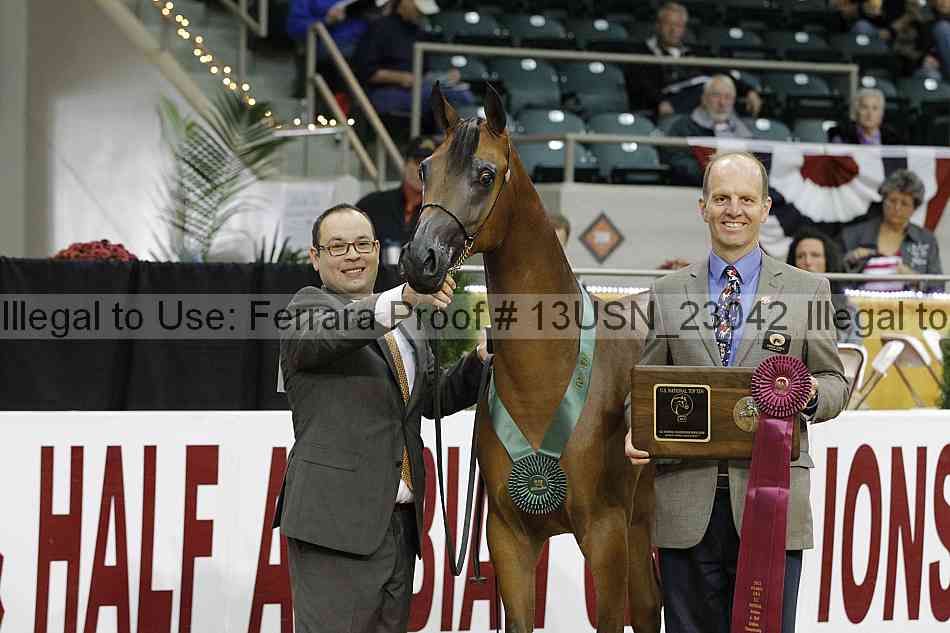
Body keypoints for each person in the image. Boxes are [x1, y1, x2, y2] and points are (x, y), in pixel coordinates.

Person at [625, 152, 849, 633]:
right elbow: (645, 384)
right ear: (702, 206)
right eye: (722, 198)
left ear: (765, 209)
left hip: (773, 504)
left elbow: (835, 383)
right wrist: (635, 426)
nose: (734, 210)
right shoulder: (668, 291)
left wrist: (806, 393)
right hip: (685, 503)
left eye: (746, 199)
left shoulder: (809, 290)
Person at [275, 203, 487, 633]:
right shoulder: (307, 308)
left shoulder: (407, 323)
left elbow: (432, 399)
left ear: (376, 250)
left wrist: (479, 361)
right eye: (338, 247)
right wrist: (402, 298)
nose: (352, 255)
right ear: (315, 257)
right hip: (335, 525)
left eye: (362, 244)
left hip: (399, 527)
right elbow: (332, 334)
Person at [625, 3, 762, 120]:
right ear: (658, 25)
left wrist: (748, 91)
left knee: (719, 86)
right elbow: (640, 84)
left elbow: (720, 71)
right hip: (664, 104)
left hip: (696, 101)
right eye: (668, 24)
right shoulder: (641, 52)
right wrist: (660, 102)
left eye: (678, 25)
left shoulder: (694, 52)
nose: (673, 30)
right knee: (709, 89)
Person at [353, 0, 474, 132]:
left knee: (461, 93)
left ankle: (453, 141)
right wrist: (400, 78)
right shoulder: (379, 27)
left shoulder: (419, 33)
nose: (421, 15)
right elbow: (365, 71)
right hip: (384, 92)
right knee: (444, 96)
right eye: (418, 10)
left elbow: (424, 72)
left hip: (417, 89)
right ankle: (449, 141)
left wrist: (445, 76)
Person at [840, 169, 944, 292]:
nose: (897, 208)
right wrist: (850, 260)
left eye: (904, 203)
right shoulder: (853, 234)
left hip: (910, 304)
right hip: (858, 303)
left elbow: (938, 287)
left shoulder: (926, 240)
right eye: (892, 201)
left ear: (914, 208)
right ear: (884, 201)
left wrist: (916, 280)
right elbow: (834, 281)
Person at [357, 136, 436, 290]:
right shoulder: (372, 205)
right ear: (405, 164)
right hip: (374, 295)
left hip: (421, 296)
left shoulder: (440, 214)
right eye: (418, 162)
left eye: (431, 164)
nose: (423, 170)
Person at [665, 75, 754, 187]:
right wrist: (711, 175)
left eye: (728, 97)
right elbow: (678, 161)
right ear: (704, 98)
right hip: (697, 188)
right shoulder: (684, 126)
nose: (722, 103)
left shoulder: (745, 129)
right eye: (716, 95)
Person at [286, 0, 375, 99]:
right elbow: (295, 28)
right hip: (332, 43)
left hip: (369, 38)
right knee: (361, 58)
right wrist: (327, 20)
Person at [787, 228, 862, 344]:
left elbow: (853, 350)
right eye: (800, 256)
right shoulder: (780, 305)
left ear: (828, 261)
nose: (807, 262)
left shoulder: (849, 309)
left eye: (815, 255)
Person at [827, 88, 903, 145]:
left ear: (881, 113)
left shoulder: (893, 138)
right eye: (864, 107)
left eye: (875, 108)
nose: (870, 114)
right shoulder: (842, 136)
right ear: (856, 111)